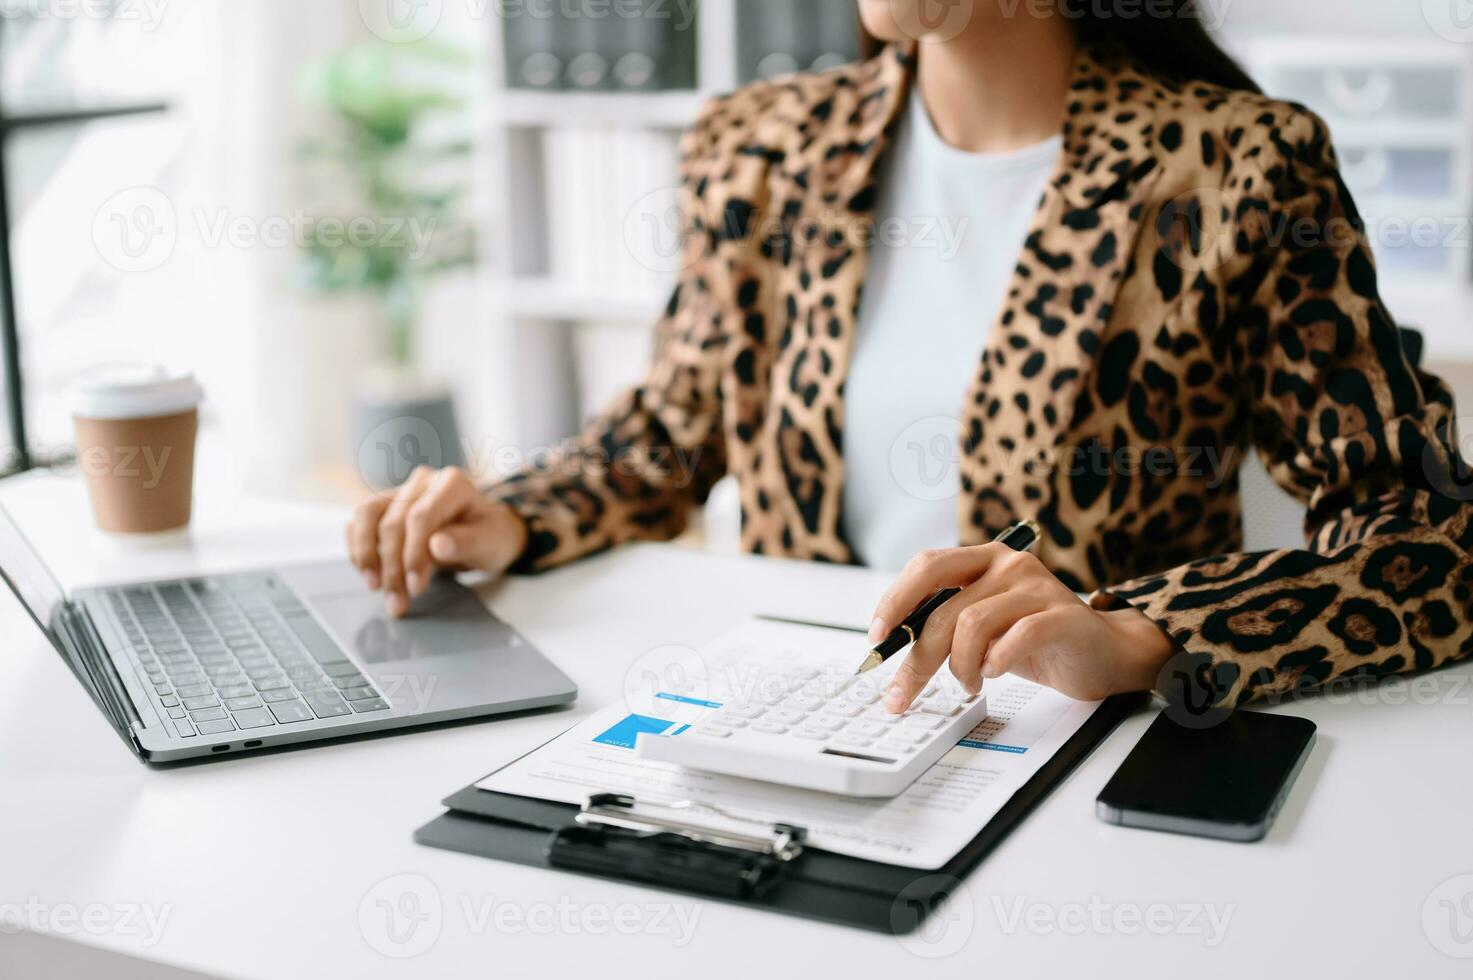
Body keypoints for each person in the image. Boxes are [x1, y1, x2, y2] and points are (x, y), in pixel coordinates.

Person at [347, 1, 1473, 715]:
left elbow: (1428, 539)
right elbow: (664, 436)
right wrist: (514, 514)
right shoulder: (758, 146)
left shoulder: (1240, 165)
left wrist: (1138, 633)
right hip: (789, 726)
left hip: (1063, 756)